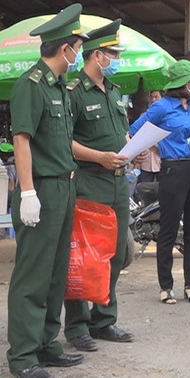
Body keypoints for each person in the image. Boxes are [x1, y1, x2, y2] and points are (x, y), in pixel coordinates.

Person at [7, 3, 89, 378]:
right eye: (78, 46)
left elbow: (60, 142)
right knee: (33, 275)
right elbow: (21, 140)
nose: (80, 54)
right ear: (65, 48)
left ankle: (45, 342)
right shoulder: (31, 85)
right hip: (40, 187)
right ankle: (22, 354)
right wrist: (27, 193)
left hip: (64, 186)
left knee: (56, 273)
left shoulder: (59, 87)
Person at [64, 20, 135, 352]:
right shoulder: (74, 91)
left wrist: (133, 145)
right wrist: (99, 157)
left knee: (116, 255)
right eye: (113, 53)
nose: (117, 59)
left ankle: (104, 319)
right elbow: (63, 142)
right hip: (89, 182)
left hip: (119, 184)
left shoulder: (116, 92)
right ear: (95, 55)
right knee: (84, 256)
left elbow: (121, 136)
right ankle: (77, 326)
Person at [129, 60, 190, 304]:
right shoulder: (161, 107)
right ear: (182, 85)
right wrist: (151, 147)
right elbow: (134, 130)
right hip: (172, 170)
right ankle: (166, 286)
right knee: (168, 229)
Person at [136, 90, 163, 184]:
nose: (153, 100)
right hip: (146, 162)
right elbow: (138, 139)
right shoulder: (143, 116)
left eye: (156, 97)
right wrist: (137, 162)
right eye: (151, 97)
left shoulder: (167, 117)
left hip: (162, 161)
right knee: (142, 189)